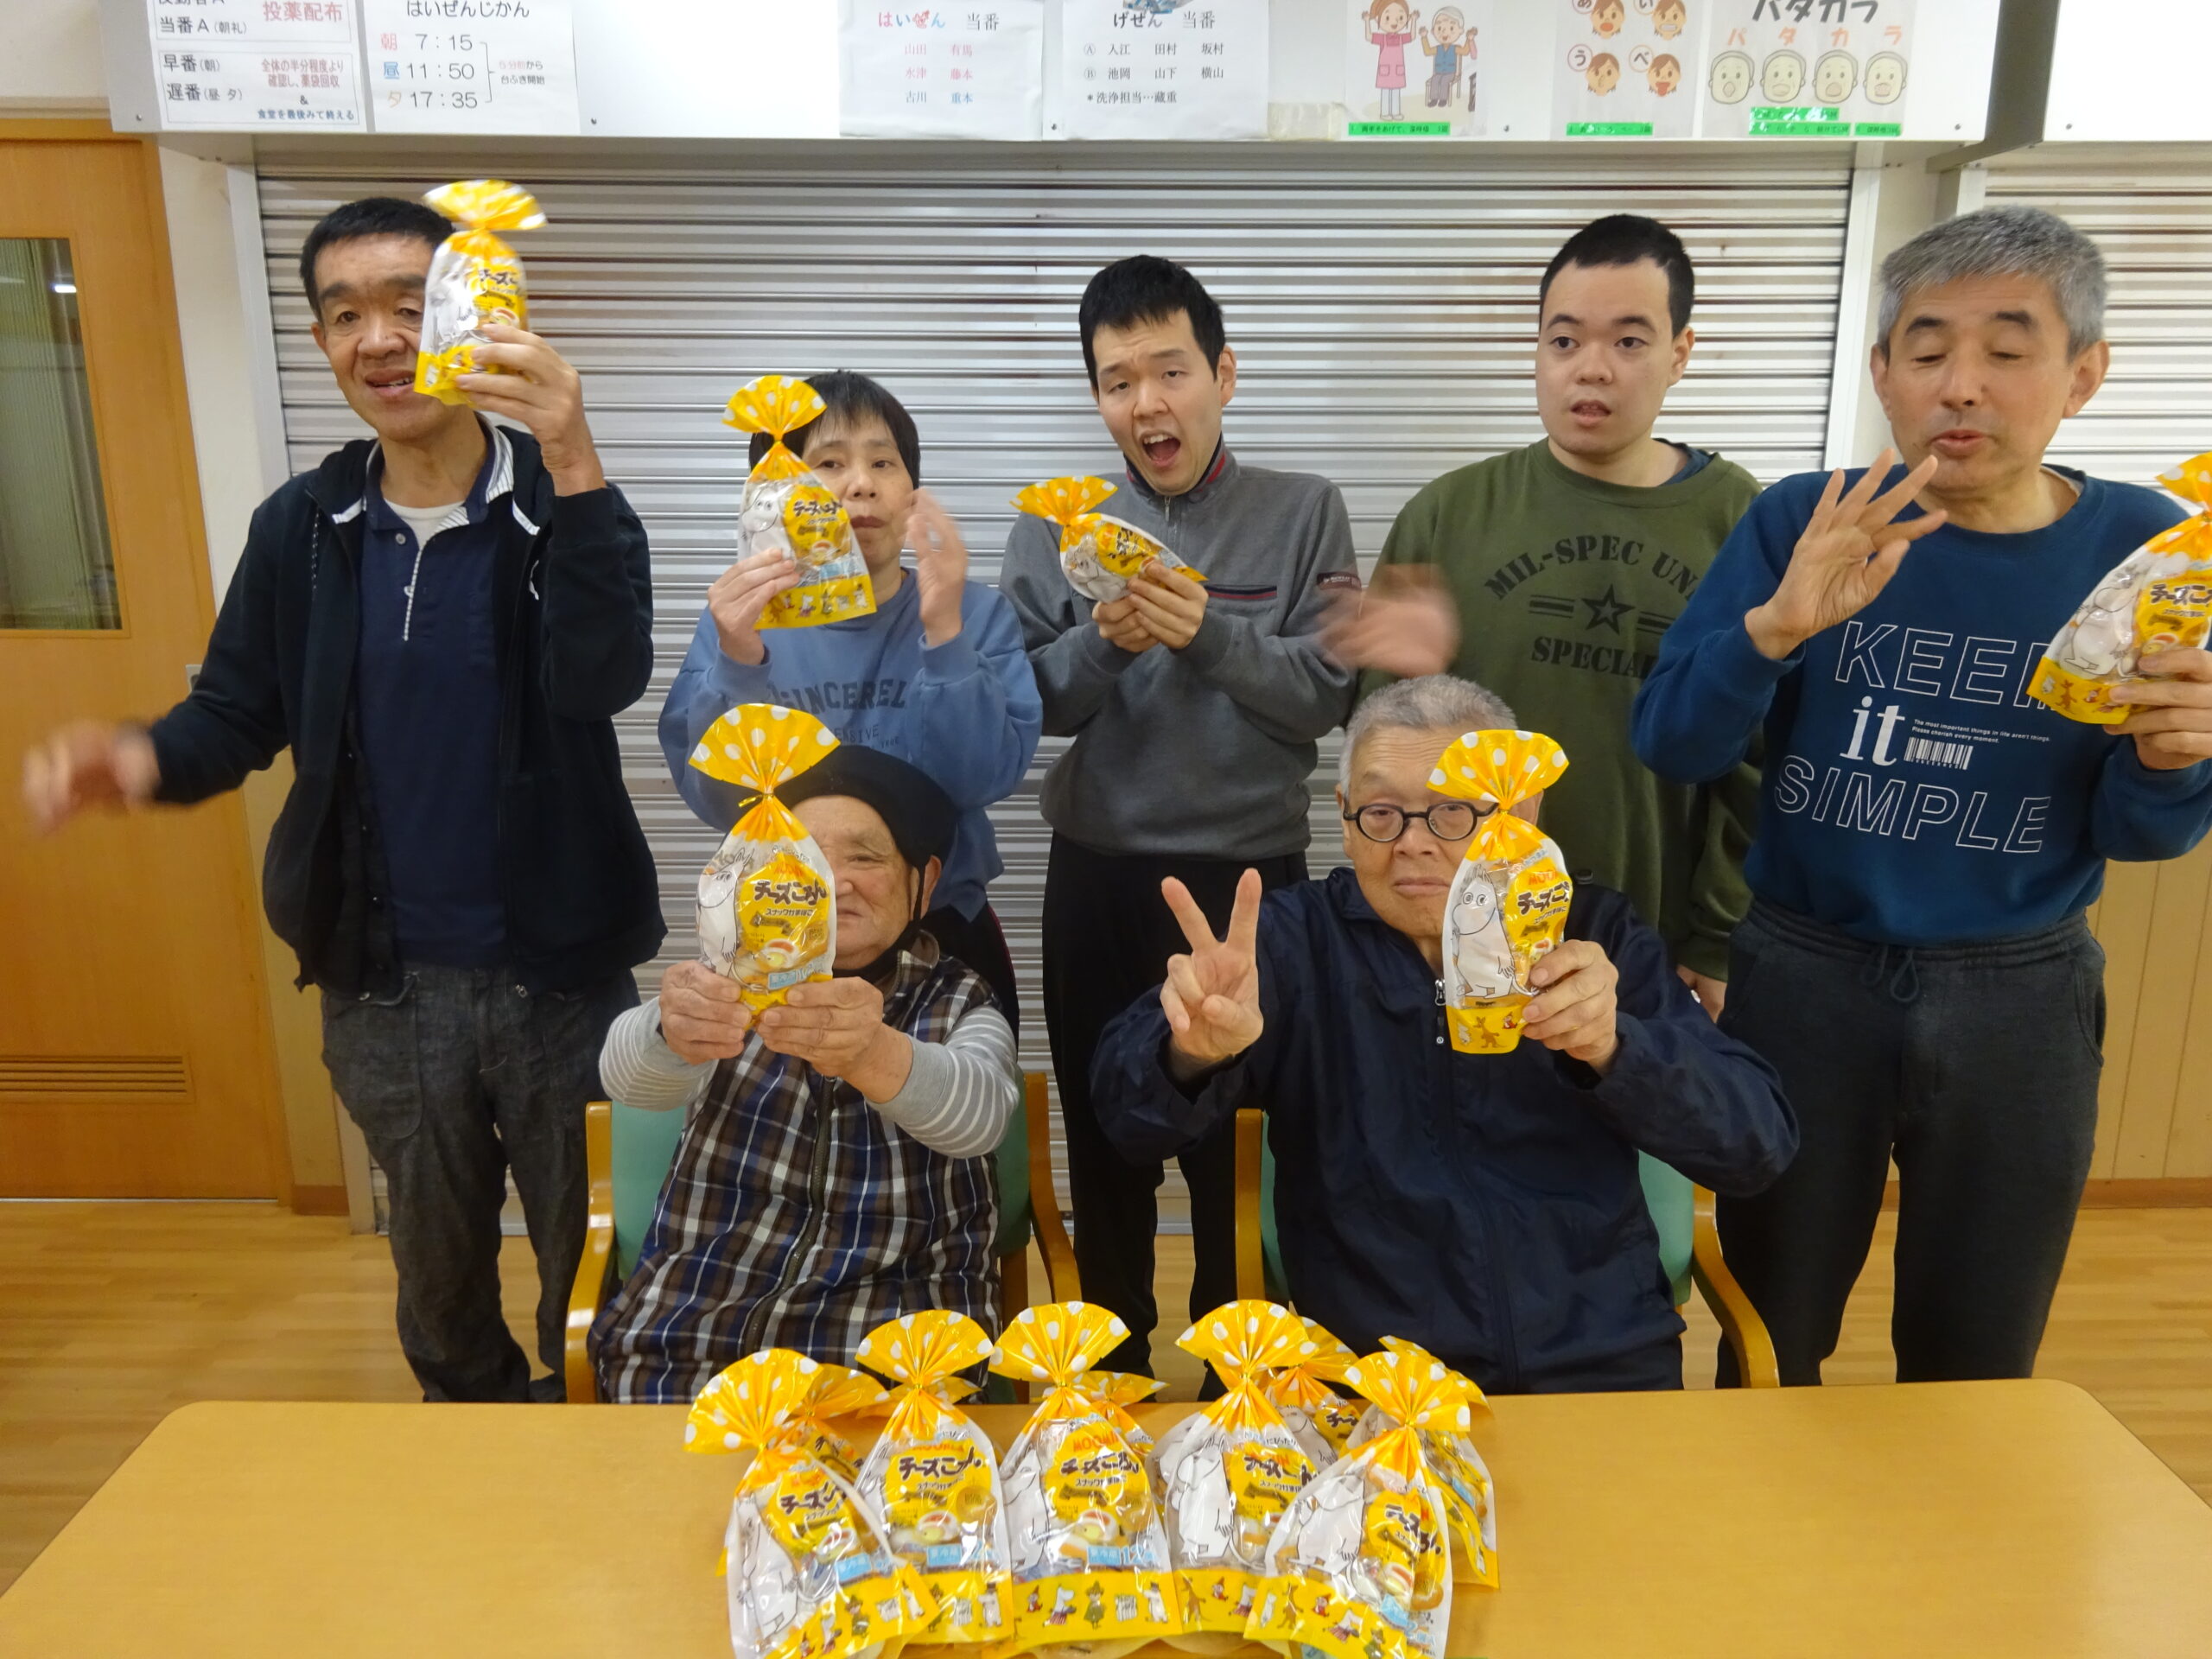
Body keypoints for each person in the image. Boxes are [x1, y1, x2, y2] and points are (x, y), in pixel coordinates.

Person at [19, 196, 660, 1402]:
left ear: (472, 316)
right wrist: (140, 759)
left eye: (411, 307)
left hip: (561, 980)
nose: (379, 339)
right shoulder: (304, 529)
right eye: (346, 314)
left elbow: (603, 677)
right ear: (320, 341)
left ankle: (590, 1451)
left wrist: (574, 456)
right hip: (382, 982)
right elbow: (234, 712)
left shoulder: (557, 505)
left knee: (603, 1275)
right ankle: (469, 1442)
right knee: (438, 1281)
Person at [1630, 206, 2212, 1386]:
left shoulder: (2150, 551)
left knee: (1979, 1348)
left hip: (2022, 992)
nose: (1962, 385)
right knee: (1772, 1323)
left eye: (2007, 350)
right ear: (1882, 371)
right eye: (1929, 349)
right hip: (1806, 977)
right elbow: (1675, 743)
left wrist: (2175, 759)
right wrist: (1774, 629)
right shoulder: (1810, 519)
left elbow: (2138, 834)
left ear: (2083, 375)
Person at [1089, 676, 1796, 1392]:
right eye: (1382, 813)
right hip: (1379, 1384)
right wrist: (1189, 1054)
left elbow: (1756, 1144)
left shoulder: (1592, 938)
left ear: (1522, 812)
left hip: (1601, 1366)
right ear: (1345, 817)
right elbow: (1125, 1119)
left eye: (1453, 812)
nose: (1414, 844)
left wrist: (1616, 1049)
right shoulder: (1292, 944)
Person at [1001, 254, 1357, 1376]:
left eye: (1170, 371)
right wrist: (1103, 640)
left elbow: (1326, 693)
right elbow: (1026, 708)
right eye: (1118, 381)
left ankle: (1238, 1378)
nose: (1147, 403)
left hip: (1251, 880)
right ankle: (1110, 1374)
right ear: (1097, 397)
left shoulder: (1305, 511)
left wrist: (1206, 631)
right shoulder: (1055, 525)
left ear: (1224, 374)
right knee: (1105, 1136)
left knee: (1240, 1145)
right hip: (1098, 872)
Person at [1337, 214, 1761, 1020]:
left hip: (1647, 943)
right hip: (1459, 935)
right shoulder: (1449, 515)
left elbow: (1759, 760)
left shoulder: (1741, 522)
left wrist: (1716, 939)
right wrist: (1401, 682)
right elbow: (1380, 755)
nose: (1590, 368)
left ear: (1681, 353)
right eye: (1564, 341)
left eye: (1629, 341)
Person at [590, 746, 1018, 1402]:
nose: (833, 883)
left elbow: (981, 1114)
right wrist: (671, 1031)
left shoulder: (961, 1002)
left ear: (924, 882)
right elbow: (630, 1081)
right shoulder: (731, 980)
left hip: (894, 1337)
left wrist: (872, 1054)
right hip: (696, 1323)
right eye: (805, 859)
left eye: (865, 858)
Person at [659, 371, 1040, 1028]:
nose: (860, 483)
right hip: (780, 933)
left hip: (944, 931)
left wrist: (944, 633)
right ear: (776, 495)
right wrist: (739, 658)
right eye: (830, 463)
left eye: (883, 463)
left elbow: (980, 779)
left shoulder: (973, 614)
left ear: (911, 493)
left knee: (956, 1096)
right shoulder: (739, 621)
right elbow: (718, 801)